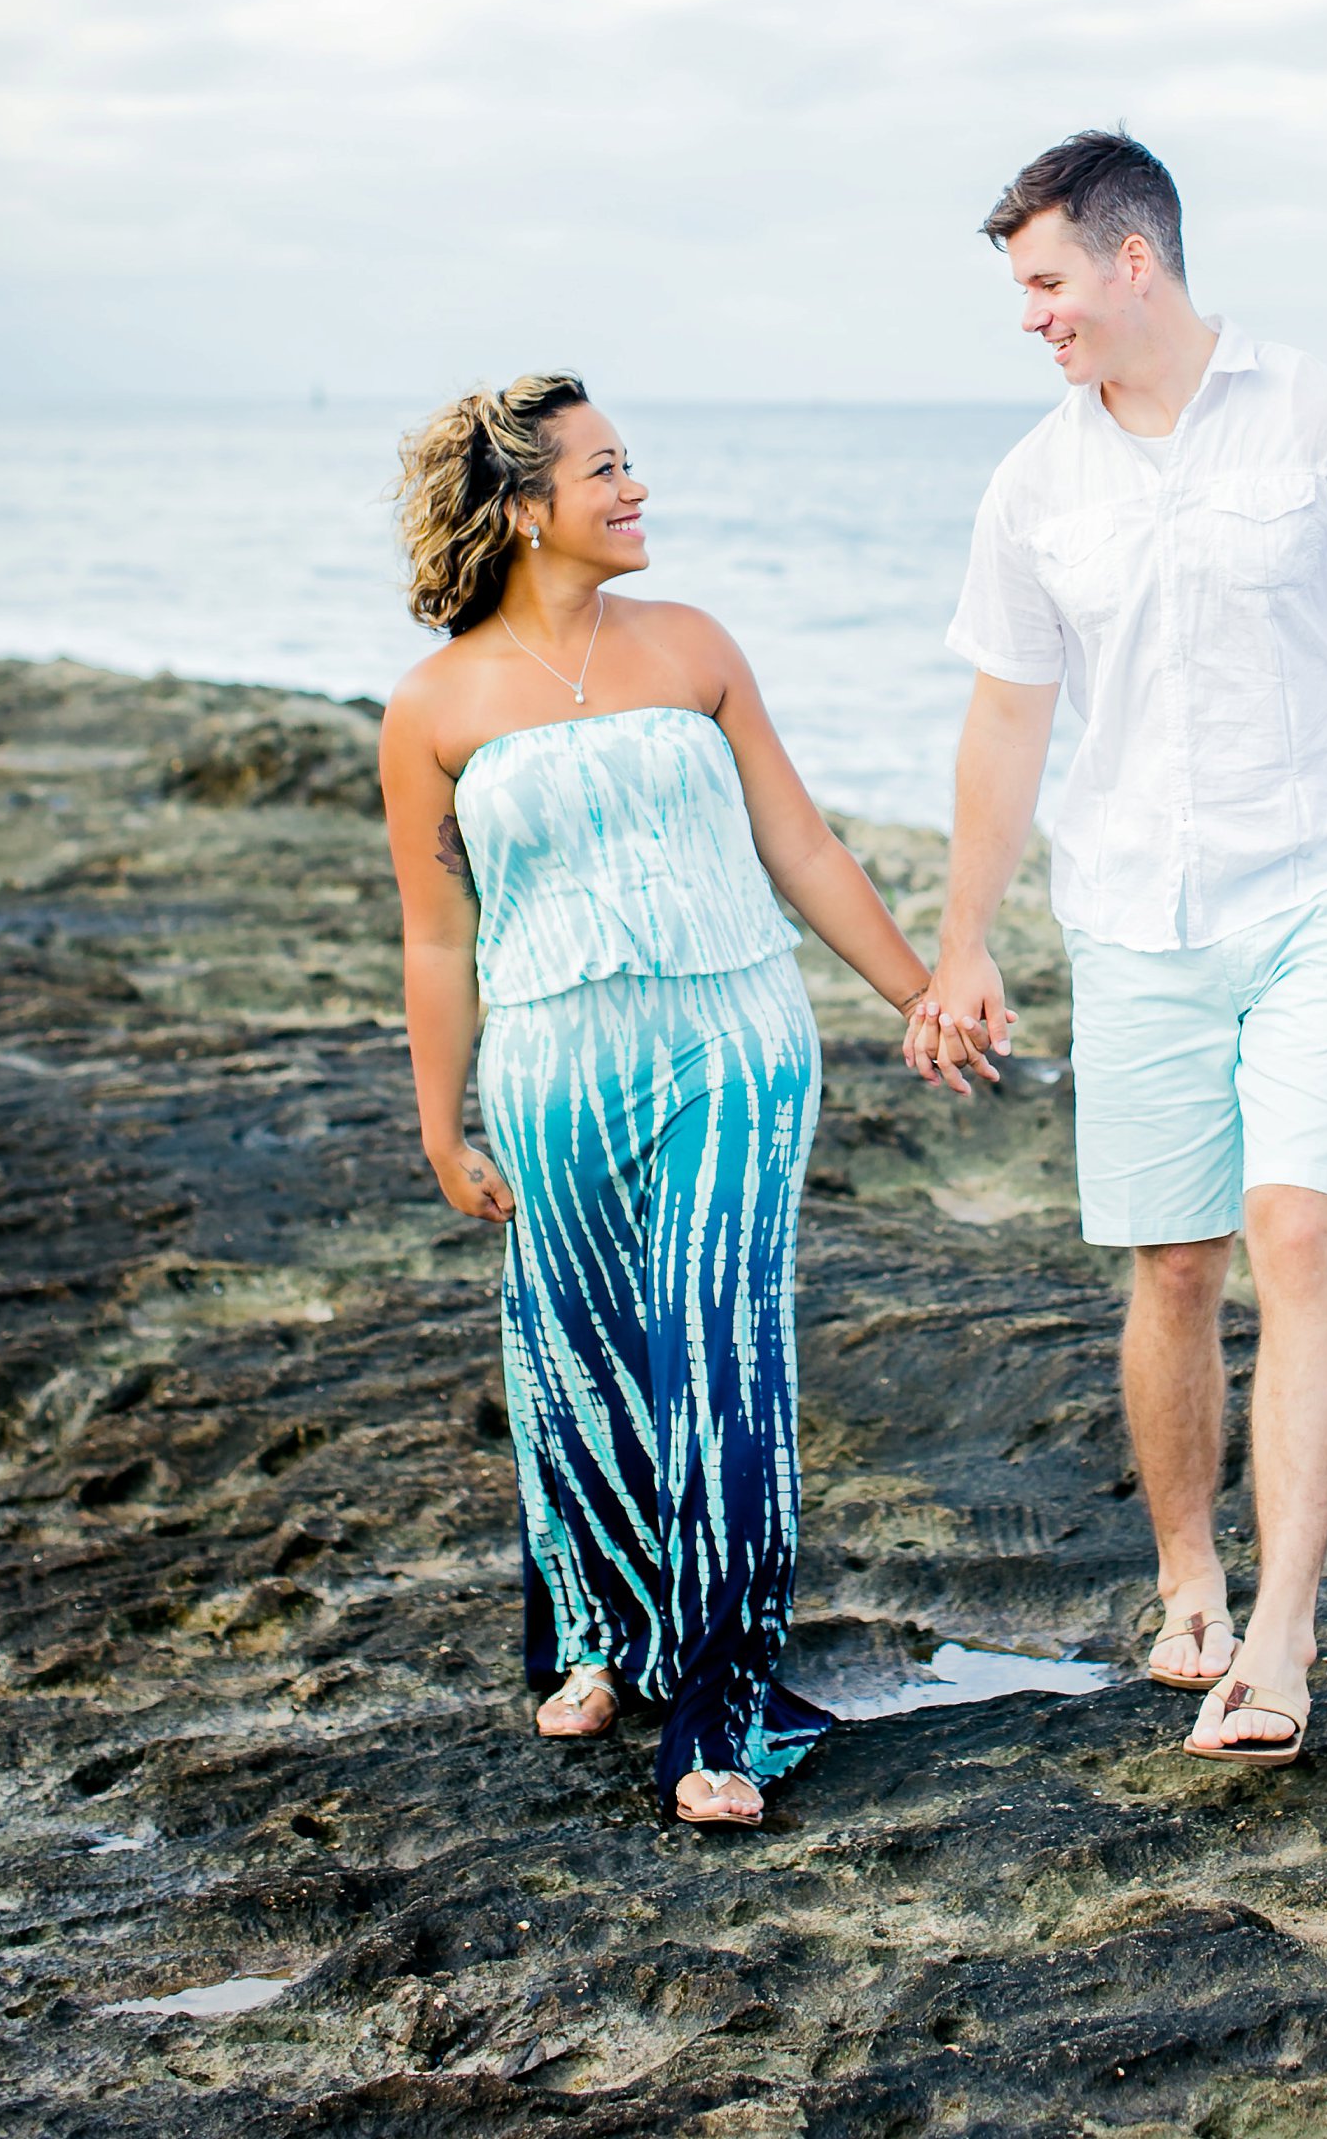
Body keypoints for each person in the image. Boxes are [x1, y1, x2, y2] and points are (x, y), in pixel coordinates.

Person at [907, 133, 1327, 1767]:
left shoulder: (1326, 421)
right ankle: (1188, 1578)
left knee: (1296, 1231)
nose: (1030, 317)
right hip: (1133, 917)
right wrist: (962, 944)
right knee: (1175, 1264)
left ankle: (1282, 1635)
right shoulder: (1035, 486)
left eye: (1044, 282)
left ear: (1133, 261)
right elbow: (1005, 721)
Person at [381, 373, 966, 1828]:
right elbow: (434, 937)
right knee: (574, 1355)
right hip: (553, 1063)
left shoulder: (696, 647)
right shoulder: (434, 706)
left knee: (721, 1356)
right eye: (606, 471)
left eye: (631, 465)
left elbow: (805, 847)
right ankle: (597, 1632)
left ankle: (723, 1704)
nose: (636, 491)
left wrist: (919, 993)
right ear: (525, 509)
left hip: (734, 1042)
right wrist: (440, 1126)